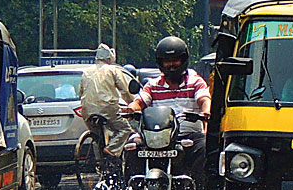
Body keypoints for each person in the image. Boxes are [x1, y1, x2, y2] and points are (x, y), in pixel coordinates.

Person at [126, 36, 211, 178]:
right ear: (161, 63)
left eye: (175, 60)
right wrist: (131, 108)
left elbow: (204, 98)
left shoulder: (195, 82)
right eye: (167, 61)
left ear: (183, 60)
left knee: (204, 147)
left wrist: (206, 110)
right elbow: (140, 101)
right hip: (156, 137)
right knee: (132, 146)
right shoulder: (153, 85)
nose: (171, 65)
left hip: (187, 135)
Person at [78, 43, 135, 158]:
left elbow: (80, 92)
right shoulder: (113, 70)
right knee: (125, 129)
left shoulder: (86, 72)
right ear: (110, 58)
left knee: (97, 136)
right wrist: (132, 105)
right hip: (108, 109)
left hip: (87, 111)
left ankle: (100, 162)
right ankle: (111, 149)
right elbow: (125, 91)